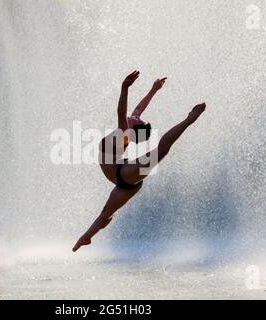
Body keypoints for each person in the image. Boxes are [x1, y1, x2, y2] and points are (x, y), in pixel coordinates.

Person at [73, 70, 206, 252]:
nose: (135, 115)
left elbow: (121, 111)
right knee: (106, 214)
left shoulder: (123, 134)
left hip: (125, 174)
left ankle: (190, 119)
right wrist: (153, 90)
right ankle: (86, 237)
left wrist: (124, 88)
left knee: (160, 151)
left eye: (135, 120)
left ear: (131, 129)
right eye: (136, 118)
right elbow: (138, 109)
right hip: (125, 182)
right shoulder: (129, 130)